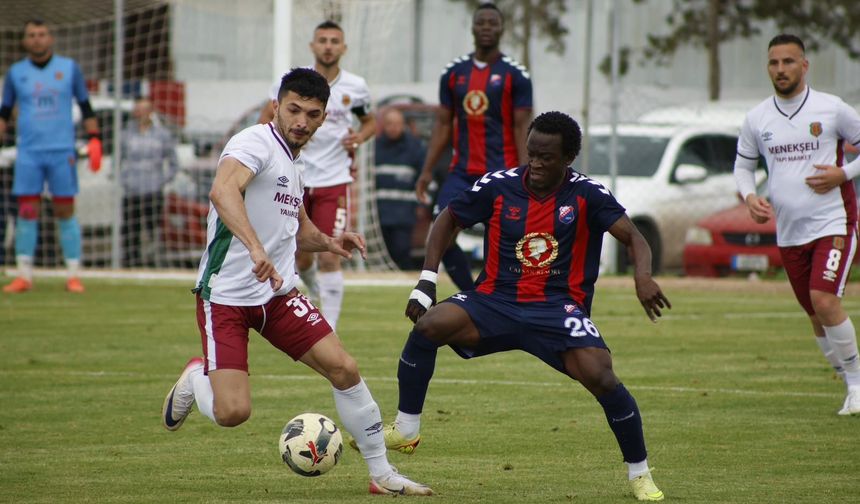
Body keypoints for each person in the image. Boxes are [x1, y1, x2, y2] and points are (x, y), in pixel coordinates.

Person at [160, 68, 431, 496]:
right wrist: (255, 248)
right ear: (276, 107)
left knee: (344, 368)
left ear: (324, 118)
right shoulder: (254, 142)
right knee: (232, 412)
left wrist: (330, 241)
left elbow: (299, 228)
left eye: (312, 114)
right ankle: (197, 377)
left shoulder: (294, 161)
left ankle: (382, 474)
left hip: (278, 295)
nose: (302, 121)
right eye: (294, 110)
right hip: (226, 297)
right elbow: (223, 192)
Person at [372, 112, 670, 501]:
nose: (536, 164)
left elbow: (634, 238)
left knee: (602, 377)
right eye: (532, 154)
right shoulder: (499, 185)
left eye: (547, 157)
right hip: (495, 300)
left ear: (568, 158)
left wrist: (642, 277)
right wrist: (427, 281)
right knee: (429, 326)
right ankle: (407, 429)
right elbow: (447, 219)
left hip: (557, 308)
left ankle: (640, 474)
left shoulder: (588, 194)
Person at [734, 34, 860, 416]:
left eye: (788, 62)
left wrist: (843, 173)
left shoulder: (831, 109)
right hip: (790, 232)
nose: (781, 69)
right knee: (815, 313)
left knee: (825, 299)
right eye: (774, 63)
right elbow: (743, 166)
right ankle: (849, 383)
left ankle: (857, 384)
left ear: (804, 66)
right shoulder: (757, 118)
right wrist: (749, 197)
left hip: (834, 222)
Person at [258, 20, 375, 330]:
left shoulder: (355, 87)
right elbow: (265, 118)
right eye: (322, 40)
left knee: (331, 252)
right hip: (296, 178)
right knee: (301, 256)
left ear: (343, 48)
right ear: (312, 46)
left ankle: (329, 328)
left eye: (334, 41)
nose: (328, 46)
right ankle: (314, 290)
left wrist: (359, 138)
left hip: (334, 180)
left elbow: (370, 122)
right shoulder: (293, 83)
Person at [415, 2, 532, 291]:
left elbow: (522, 127)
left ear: (502, 29)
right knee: (442, 232)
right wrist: (427, 170)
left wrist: (525, 173)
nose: (486, 28)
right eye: (481, 22)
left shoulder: (516, 74)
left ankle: (488, 297)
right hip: (462, 172)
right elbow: (443, 125)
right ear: (473, 28)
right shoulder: (454, 72)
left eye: (493, 23)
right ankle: (471, 294)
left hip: (502, 173)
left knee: (500, 242)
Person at [0, 19, 101, 293]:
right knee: (27, 211)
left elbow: (86, 105)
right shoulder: (16, 73)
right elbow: (4, 112)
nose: (37, 39)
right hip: (29, 152)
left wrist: (95, 139)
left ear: (50, 38)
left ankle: (73, 275)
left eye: (41, 34)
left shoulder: (69, 69)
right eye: (31, 35)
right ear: (24, 40)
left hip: (61, 151)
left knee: (65, 210)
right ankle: (24, 276)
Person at [120, 97, 179, 267]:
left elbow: (174, 163)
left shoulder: (162, 135)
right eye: (137, 109)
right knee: (131, 229)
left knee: (153, 228)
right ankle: (130, 263)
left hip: (153, 190)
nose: (140, 113)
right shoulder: (126, 134)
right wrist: (124, 179)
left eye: (144, 109)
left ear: (150, 112)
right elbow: (117, 161)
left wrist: (162, 180)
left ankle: (153, 262)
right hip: (132, 190)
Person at [374, 108, 425, 270]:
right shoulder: (374, 148)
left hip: (404, 213)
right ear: (383, 125)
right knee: (382, 253)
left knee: (401, 250)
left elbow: (425, 180)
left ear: (404, 125)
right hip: (378, 214)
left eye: (397, 124)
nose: (393, 128)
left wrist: (422, 205)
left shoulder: (415, 148)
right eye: (389, 124)